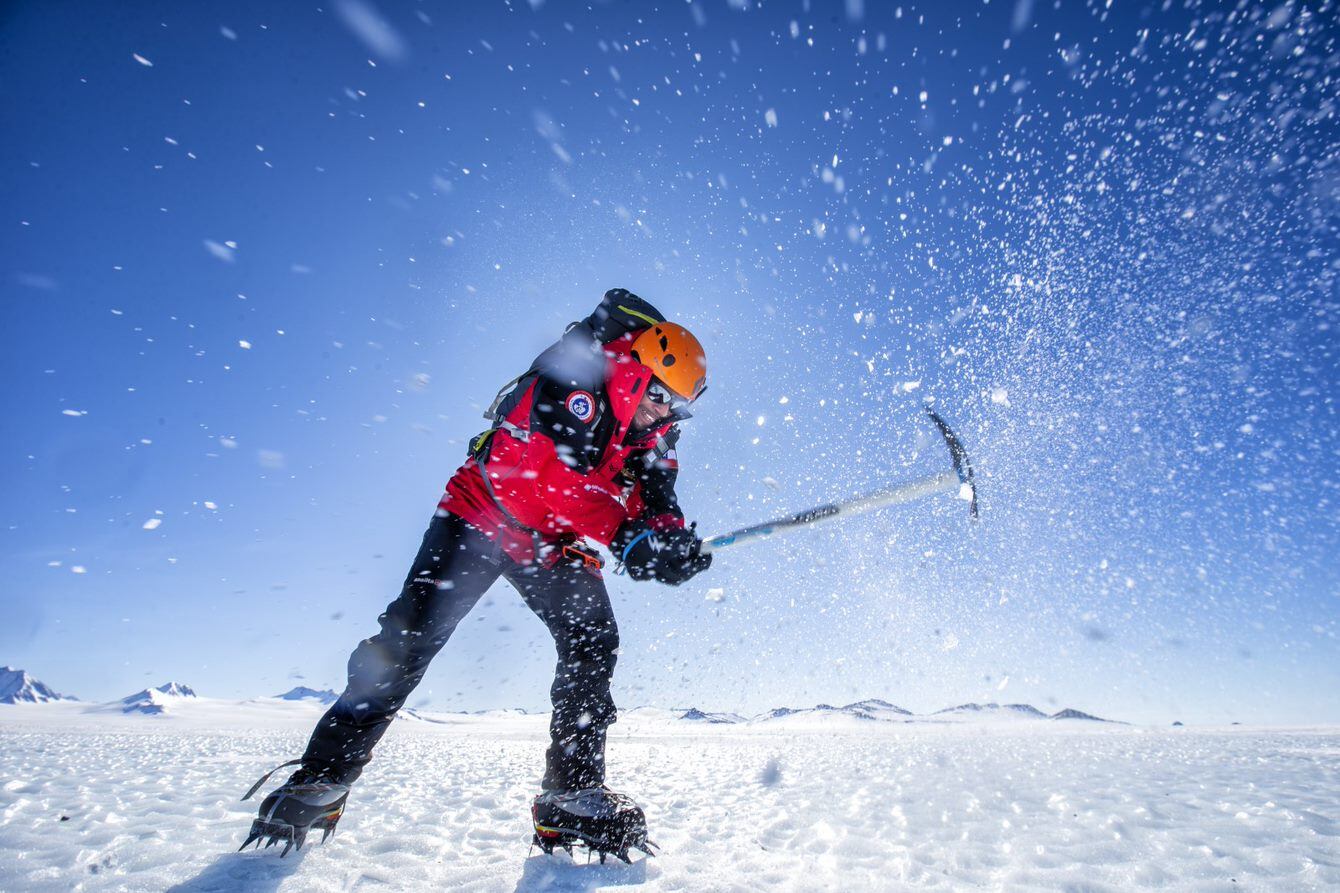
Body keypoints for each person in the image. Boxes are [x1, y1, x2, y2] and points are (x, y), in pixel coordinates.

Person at [240, 289, 712, 861]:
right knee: (407, 640)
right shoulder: (572, 383)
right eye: (662, 399)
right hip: (482, 514)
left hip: (550, 540)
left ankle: (571, 796)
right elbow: (533, 479)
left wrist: (669, 538)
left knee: (592, 640)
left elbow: (657, 498)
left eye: (678, 408)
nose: (666, 416)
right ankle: (321, 779)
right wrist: (624, 534)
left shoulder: (651, 433)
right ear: (638, 374)